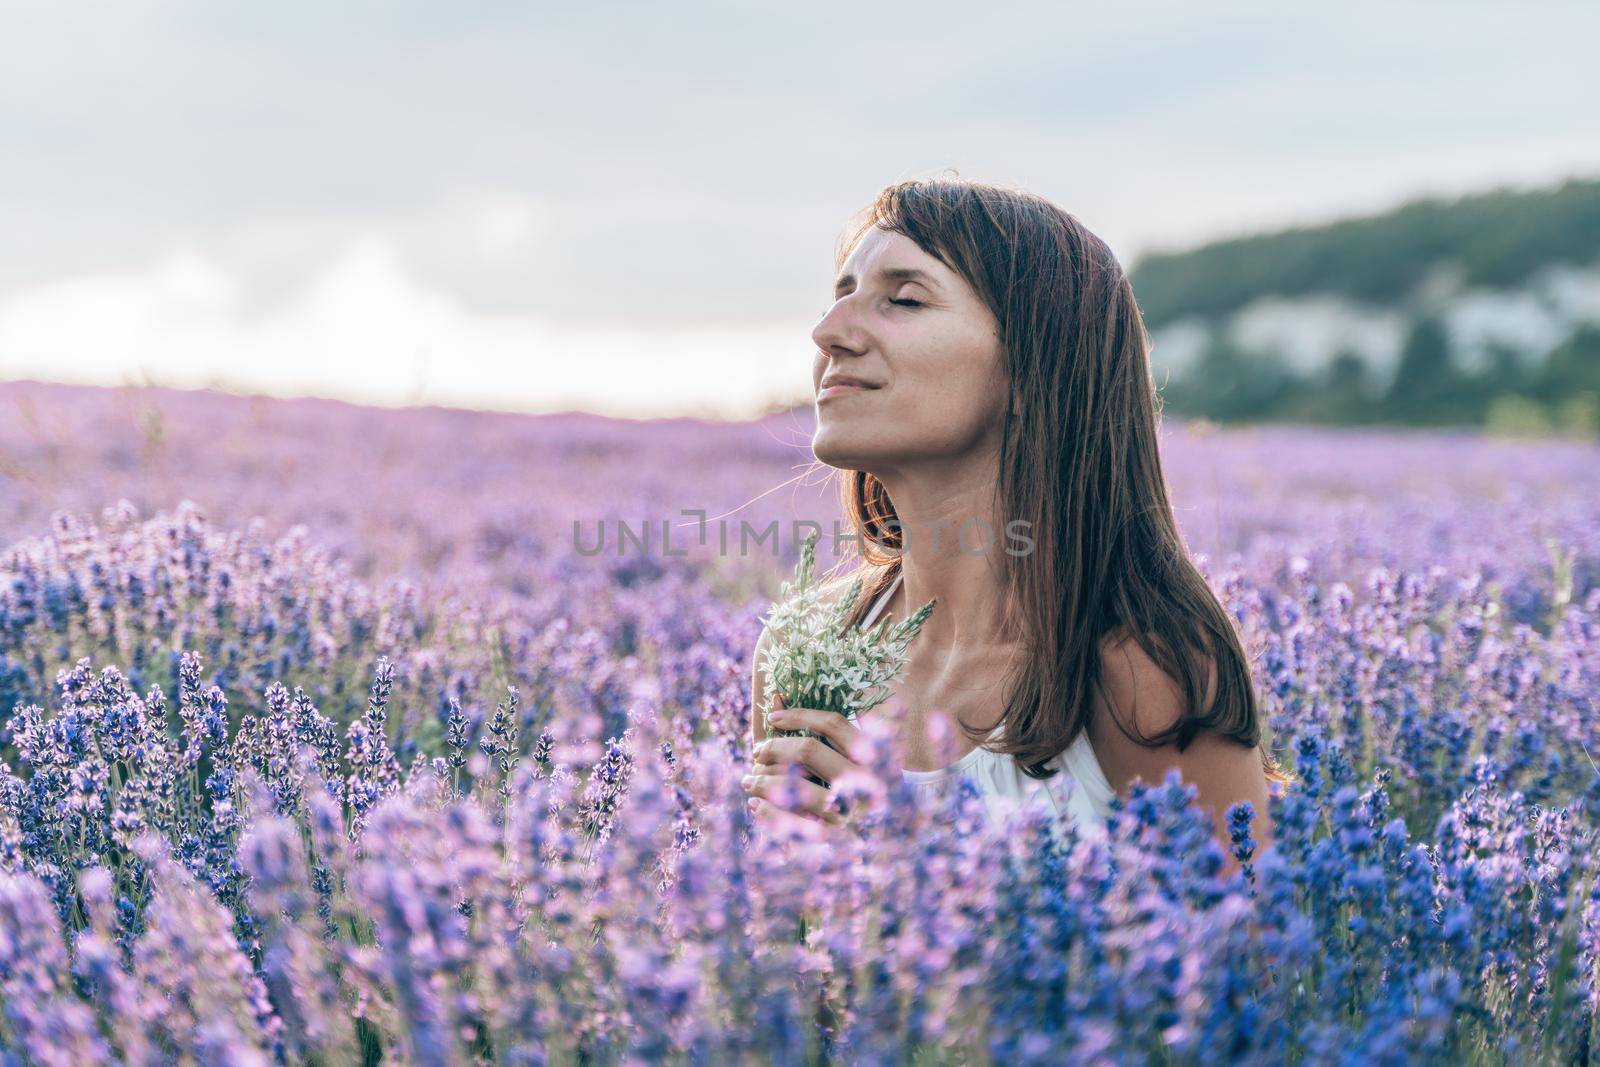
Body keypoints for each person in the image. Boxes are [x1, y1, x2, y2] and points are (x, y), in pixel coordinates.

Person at [742, 175, 1285, 859]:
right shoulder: (806, 643)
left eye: (903, 299)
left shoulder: (1139, 668)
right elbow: (773, 939)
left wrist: (906, 863)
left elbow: (1250, 959)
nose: (829, 334)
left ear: (1033, 368)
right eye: (842, 295)